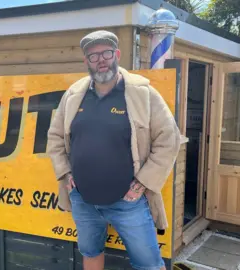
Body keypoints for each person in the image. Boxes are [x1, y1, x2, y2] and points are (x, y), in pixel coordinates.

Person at [46, 30, 181, 270]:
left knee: (150, 264)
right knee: (90, 251)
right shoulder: (74, 95)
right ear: (86, 61)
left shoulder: (142, 93)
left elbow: (168, 140)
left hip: (128, 202)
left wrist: (142, 183)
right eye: (93, 55)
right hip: (83, 200)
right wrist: (65, 173)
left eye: (106, 52)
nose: (100, 59)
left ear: (117, 54)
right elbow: (55, 137)